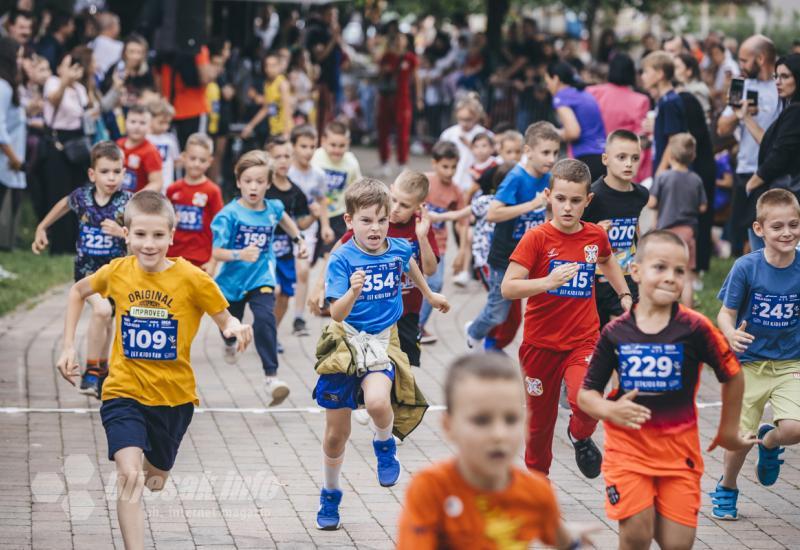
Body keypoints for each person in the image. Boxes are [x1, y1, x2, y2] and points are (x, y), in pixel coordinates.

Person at [54, 190, 252, 550]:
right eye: (140, 235)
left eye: (158, 235)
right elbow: (77, 292)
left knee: (154, 479)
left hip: (174, 399)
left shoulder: (192, 278)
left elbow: (225, 318)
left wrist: (235, 328)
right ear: (125, 235)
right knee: (129, 475)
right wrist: (68, 346)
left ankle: (156, 467)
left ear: (172, 236)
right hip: (123, 392)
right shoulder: (117, 272)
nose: (149, 244)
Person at [578, 230, 752, 549]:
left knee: (678, 544)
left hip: (678, 455)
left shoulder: (696, 328)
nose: (671, 277)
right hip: (627, 452)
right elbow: (586, 394)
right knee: (636, 535)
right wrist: (610, 409)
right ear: (636, 270)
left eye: (679, 271)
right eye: (660, 267)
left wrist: (728, 432)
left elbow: (733, 375)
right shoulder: (616, 332)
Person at [313, 177, 449, 531]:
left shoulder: (398, 247)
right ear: (349, 221)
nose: (375, 228)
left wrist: (430, 296)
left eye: (382, 220)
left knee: (376, 402)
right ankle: (330, 493)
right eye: (366, 220)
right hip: (345, 341)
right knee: (335, 434)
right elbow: (337, 314)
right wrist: (353, 293)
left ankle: (384, 443)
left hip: (381, 340)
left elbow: (411, 266)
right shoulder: (342, 259)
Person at [501, 159, 633, 477]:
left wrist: (626, 296)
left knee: (587, 400)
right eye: (561, 199)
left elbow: (608, 260)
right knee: (540, 421)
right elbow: (508, 288)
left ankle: (579, 434)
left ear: (588, 201)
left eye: (576, 200)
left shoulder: (594, 236)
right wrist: (547, 282)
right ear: (548, 196)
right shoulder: (536, 239)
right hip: (539, 346)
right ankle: (538, 480)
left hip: (583, 340)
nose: (568, 207)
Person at [397, 353, 594, 549]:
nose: (499, 434)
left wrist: (572, 541)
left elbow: (559, 536)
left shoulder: (537, 493)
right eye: (481, 420)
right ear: (449, 426)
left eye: (510, 419)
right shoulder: (431, 489)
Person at [710, 189, 800, 520]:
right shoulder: (747, 267)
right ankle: (728, 486)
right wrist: (730, 333)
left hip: (790, 362)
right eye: (777, 226)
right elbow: (725, 313)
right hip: (748, 364)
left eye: (794, 224)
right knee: (739, 438)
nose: (787, 232)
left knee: (794, 428)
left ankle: (772, 442)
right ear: (759, 230)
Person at [32, 141, 129, 397]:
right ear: (92, 174)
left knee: (107, 322)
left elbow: (141, 233)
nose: (111, 177)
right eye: (105, 171)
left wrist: (122, 233)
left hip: (116, 274)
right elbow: (63, 205)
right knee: (102, 310)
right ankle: (91, 372)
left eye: (117, 171)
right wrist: (42, 227)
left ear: (124, 172)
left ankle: (102, 370)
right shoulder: (82, 198)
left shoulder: (127, 202)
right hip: (87, 274)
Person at [211, 150, 307, 405]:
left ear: (269, 183)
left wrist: (299, 239)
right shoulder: (228, 215)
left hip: (261, 277)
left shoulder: (273, 207)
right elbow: (216, 252)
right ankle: (229, 343)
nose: (254, 187)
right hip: (232, 283)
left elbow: (285, 221)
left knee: (265, 318)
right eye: (248, 181)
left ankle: (271, 377)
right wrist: (239, 253)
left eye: (260, 181)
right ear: (239, 181)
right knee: (231, 328)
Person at [465, 122, 559, 351]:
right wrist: (530, 205)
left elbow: (546, 212)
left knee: (546, 300)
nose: (551, 158)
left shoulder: (548, 177)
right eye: (545, 152)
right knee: (498, 312)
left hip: (535, 255)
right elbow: (493, 213)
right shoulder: (516, 177)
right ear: (528, 151)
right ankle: (473, 332)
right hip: (505, 258)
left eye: (555, 153)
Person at [716, 34, 779, 257]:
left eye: (744, 60)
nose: (740, 65)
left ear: (760, 59)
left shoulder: (780, 87)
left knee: (773, 231)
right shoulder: (741, 86)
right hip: (746, 168)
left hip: (774, 171)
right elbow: (722, 128)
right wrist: (739, 115)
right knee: (749, 230)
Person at [582, 130, 648, 328]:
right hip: (597, 278)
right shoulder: (593, 195)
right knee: (597, 333)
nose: (629, 163)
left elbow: (636, 226)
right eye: (621, 157)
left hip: (628, 277)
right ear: (606, 159)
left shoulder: (641, 195)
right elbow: (573, 232)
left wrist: (643, 257)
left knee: (631, 326)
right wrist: (594, 231)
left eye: (635, 158)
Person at [38, 50, 92, 254]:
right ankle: (59, 244)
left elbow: (86, 112)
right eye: (68, 65)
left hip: (77, 143)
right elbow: (53, 100)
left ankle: (76, 241)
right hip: (58, 143)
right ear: (60, 67)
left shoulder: (79, 89)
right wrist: (64, 81)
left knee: (77, 192)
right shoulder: (53, 82)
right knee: (58, 191)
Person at [744, 53, 800, 251]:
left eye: (785, 77)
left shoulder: (795, 111)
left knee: (768, 261)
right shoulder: (791, 111)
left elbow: (780, 155)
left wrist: (753, 181)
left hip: (782, 197)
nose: (778, 82)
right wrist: (745, 118)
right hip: (785, 198)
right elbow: (772, 144)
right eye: (776, 76)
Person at [264, 137, 313, 350]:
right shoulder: (262, 187)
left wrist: (313, 216)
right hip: (263, 254)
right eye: (277, 157)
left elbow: (300, 222)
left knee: (284, 296)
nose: (283, 161)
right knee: (271, 292)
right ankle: (262, 328)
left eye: (287, 156)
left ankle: (270, 333)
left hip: (284, 253)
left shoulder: (295, 192)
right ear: (268, 159)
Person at [648, 133, 708, 306]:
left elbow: (652, 203)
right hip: (687, 232)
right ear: (693, 156)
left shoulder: (663, 177)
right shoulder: (696, 179)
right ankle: (688, 311)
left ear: (671, 156)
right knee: (686, 276)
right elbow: (703, 207)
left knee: (662, 271)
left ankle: (662, 305)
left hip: (665, 234)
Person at [418, 140, 467, 344]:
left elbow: (462, 223)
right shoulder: (424, 182)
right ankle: (405, 323)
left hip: (439, 244)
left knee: (436, 282)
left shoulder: (456, 191)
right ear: (434, 164)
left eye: (454, 167)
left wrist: (463, 251)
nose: (449, 171)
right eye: (445, 166)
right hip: (416, 238)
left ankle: (417, 326)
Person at [288, 124, 333, 333]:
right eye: (303, 146)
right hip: (282, 230)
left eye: (311, 146)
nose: (308, 151)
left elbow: (322, 200)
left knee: (303, 271)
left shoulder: (318, 174)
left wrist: (324, 225)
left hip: (307, 230)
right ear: (293, 146)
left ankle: (298, 317)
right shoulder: (286, 171)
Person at [586, 53, 651, 183]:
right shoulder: (640, 100)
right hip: (622, 162)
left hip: (591, 157)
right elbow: (642, 137)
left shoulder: (592, 92)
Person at [165, 132, 222, 274]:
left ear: (210, 162)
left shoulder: (212, 191)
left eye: (202, 160)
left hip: (200, 260)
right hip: (173, 257)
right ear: (183, 157)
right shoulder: (173, 189)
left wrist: (213, 262)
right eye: (192, 158)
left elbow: (220, 229)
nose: (196, 164)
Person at [545, 61, 607, 181]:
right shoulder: (584, 94)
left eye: (547, 82)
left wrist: (554, 133)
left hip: (586, 157)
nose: (547, 87)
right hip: (603, 156)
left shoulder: (561, 96)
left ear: (556, 79)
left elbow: (573, 132)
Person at [376, 32, 419, 174]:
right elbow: (379, 76)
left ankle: (402, 163)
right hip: (387, 98)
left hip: (403, 99)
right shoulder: (387, 56)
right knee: (384, 131)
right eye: (397, 39)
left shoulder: (410, 58)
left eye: (402, 39)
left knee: (403, 133)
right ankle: (384, 162)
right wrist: (384, 70)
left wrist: (419, 98)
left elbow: (416, 79)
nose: (400, 42)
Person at [640, 51, 687, 176]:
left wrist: (661, 171)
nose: (642, 76)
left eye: (646, 72)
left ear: (660, 74)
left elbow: (673, 141)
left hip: (668, 173)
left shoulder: (669, 102)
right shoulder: (662, 101)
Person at [0, 36, 26, 250]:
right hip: (4, 161)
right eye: (18, 56)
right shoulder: (3, 87)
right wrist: (14, 158)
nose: (21, 61)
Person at [439, 93, 491, 192]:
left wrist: (471, 146)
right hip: (452, 179)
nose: (464, 123)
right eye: (460, 119)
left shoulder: (484, 134)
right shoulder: (449, 133)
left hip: (473, 183)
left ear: (476, 117)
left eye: (468, 120)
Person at [241, 50, 293, 142]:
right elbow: (266, 108)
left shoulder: (282, 83)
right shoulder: (267, 84)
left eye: (272, 65)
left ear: (279, 66)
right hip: (273, 130)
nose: (269, 69)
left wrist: (286, 132)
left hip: (283, 131)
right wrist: (250, 125)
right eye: (266, 65)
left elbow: (287, 108)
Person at [116, 104, 163, 193]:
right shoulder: (119, 144)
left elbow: (157, 183)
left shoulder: (150, 151)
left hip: (137, 201)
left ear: (149, 126)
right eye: (133, 122)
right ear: (126, 123)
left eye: (142, 123)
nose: (137, 127)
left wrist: (137, 198)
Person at [147, 99, 180, 192]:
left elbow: (176, 160)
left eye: (167, 123)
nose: (165, 127)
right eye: (161, 122)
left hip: (166, 183)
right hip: (148, 184)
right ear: (149, 118)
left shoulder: (170, 139)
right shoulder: (145, 138)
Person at [89, 12, 122, 81]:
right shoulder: (119, 47)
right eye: (117, 25)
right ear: (112, 27)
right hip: (108, 82)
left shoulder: (89, 44)